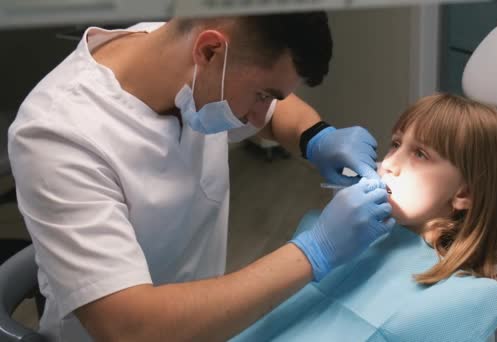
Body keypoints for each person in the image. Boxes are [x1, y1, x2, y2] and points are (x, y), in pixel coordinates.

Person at [7, 13, 395, 341]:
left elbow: (279, 110)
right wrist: (316, 252)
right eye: (262, 95)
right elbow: (130, 328)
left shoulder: (185, 60)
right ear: (209, 51)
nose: (263, 116)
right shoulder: (58, 135)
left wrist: (316, 137)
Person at [233, 94, 497, 341]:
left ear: (464, 193)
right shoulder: (341, 239)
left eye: (420, 154)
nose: (389, 164)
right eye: (396, 143)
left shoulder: (462, 301)